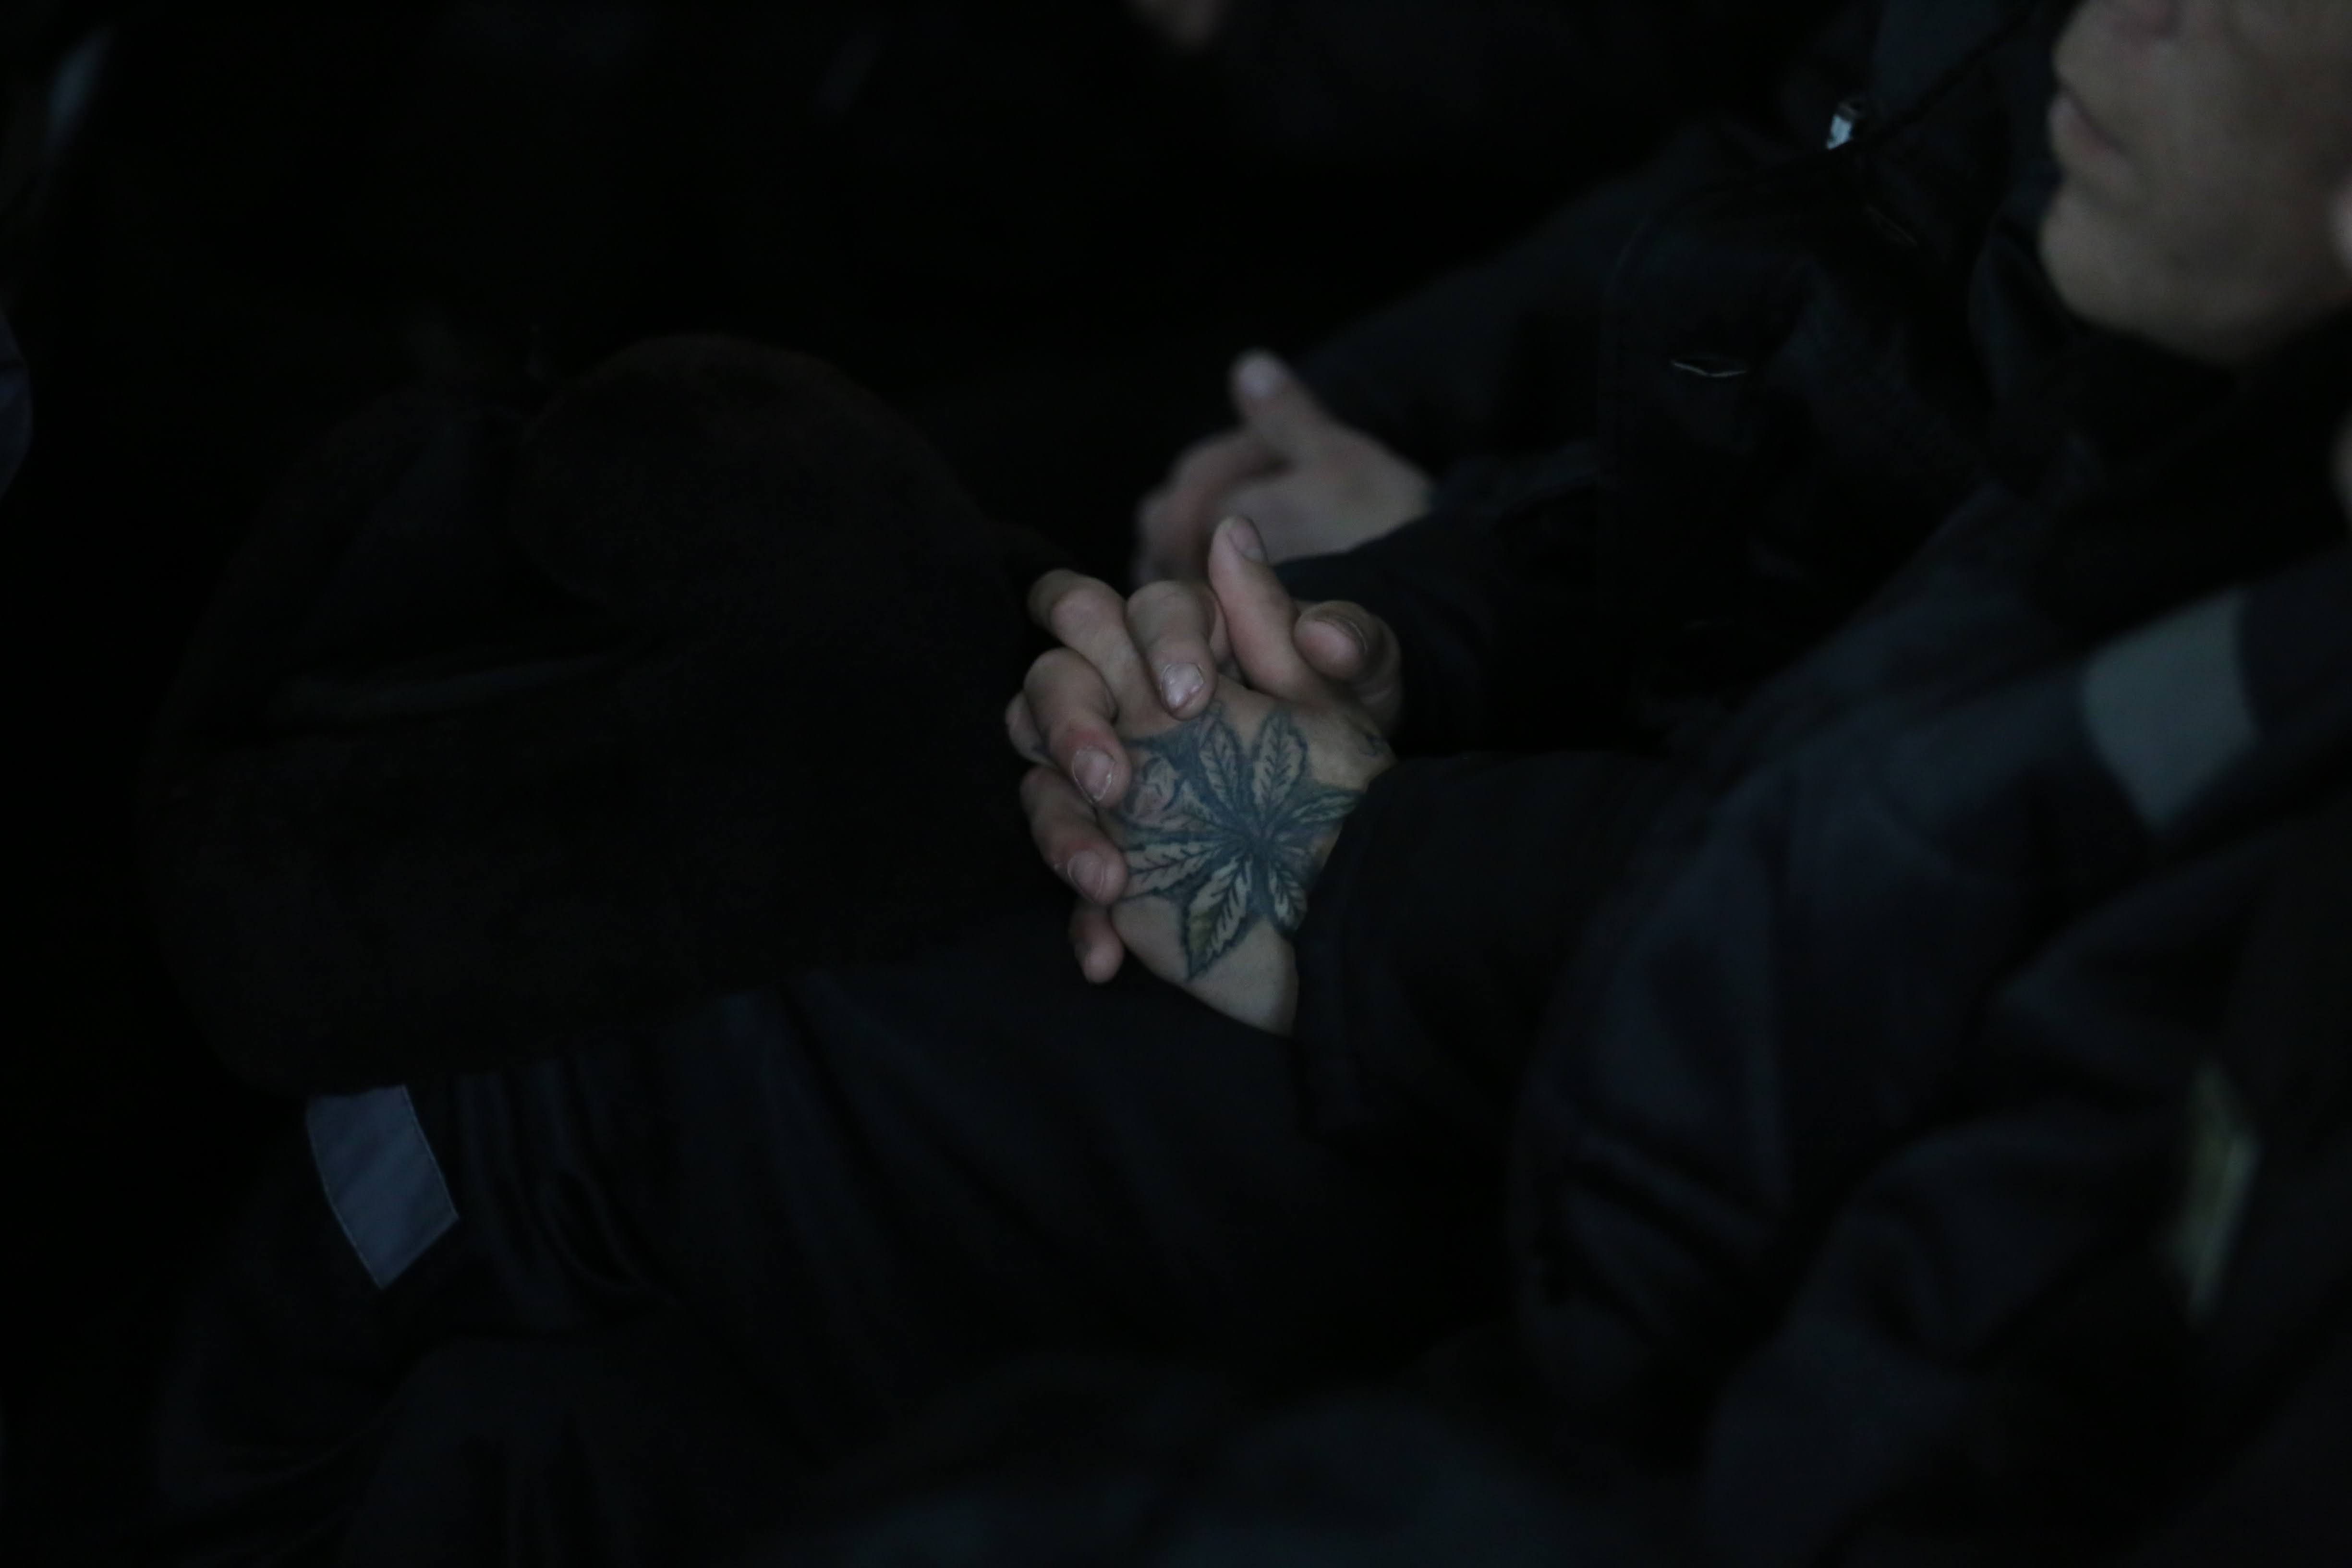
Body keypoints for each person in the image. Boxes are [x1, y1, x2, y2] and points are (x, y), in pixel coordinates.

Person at [98, 1, 2352, 1565]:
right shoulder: (2180, 421)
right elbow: (1788, 310)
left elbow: (1817, 1171)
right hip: (1525, 909)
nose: (2110, 14)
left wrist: (1353, 869)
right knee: (565, 1284)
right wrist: (1394, 606)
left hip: (1529, 1130)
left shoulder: (2228, 627)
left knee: (639, 992)